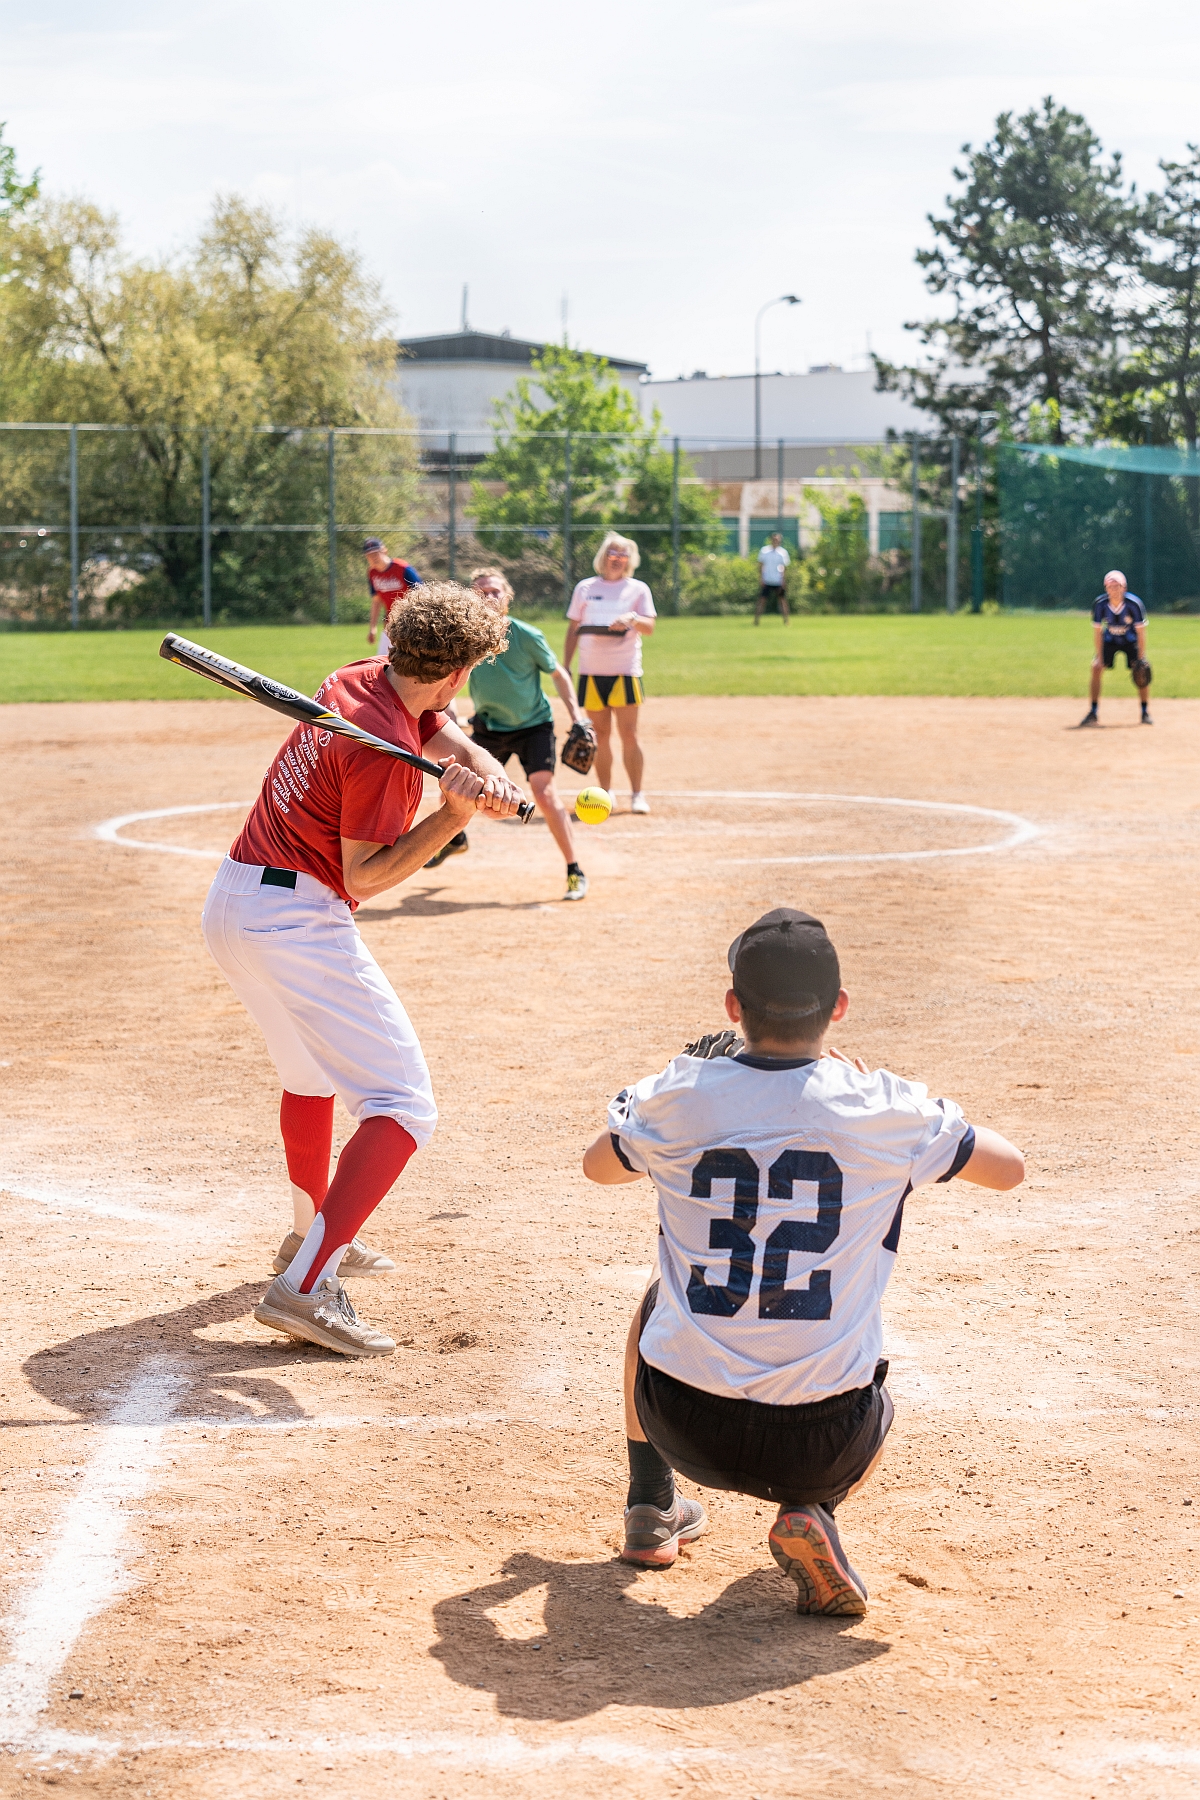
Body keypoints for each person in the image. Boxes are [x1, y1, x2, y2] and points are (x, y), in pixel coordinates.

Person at [582, 908, 1024, 1613]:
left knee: (658, 1295)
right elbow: (1009, 1169)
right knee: (868, 1363)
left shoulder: (679, 1094)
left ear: (734, 1007)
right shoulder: (885, 1107)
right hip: (824, 1442)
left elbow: (598, 1167)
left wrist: (684, 1084)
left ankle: (652, 1504)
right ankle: (811, 1509)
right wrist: (892, 1097)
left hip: (682, 1422)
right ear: (838, 1007)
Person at [201, 582, 523, 1357]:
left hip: (236, 902)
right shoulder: (381, 756)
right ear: (455, 672)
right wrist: (450, 817)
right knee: (403, 1106)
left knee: (311, 1077)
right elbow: (367, 875)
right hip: (295, 921)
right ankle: (306, 1286)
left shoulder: (361, 677)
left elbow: (440, 730)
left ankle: (304, 1237)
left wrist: (489, 777)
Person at [466, 566, 592, 900]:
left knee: (543, 793)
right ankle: (454, 840)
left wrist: (577, 717)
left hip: (533, 725)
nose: (488, 597)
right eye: (480, 592)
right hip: (488, 726)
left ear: (507, 597)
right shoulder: (465, 637)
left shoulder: (526, 635)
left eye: (495, 591)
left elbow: (558, 674)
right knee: (458, 785)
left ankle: (574, 870)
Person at [563, 532, 656, 815]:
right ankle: (606, 792)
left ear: (630, 560)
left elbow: (650, 627)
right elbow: (573, 628)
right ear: (603, 557)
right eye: (612, 554)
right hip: (592, 672)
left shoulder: (637, 589)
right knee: (600, 735)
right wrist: (566, 664)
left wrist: (632, 618)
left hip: (624, 672)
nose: (617, 559)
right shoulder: (585, 587)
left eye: (623, 555)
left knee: (629, 733)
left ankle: (637, 794)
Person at [1081, 569, 1151, 726]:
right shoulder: (1100, 604)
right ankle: (1093, 712)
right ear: (1106, 588)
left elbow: (1141, 632)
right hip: (1110, 640)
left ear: (1124, 587)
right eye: (1110, 586)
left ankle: (1145, 712)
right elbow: (1098, 632)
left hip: (1130, 641)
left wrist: (1141, 657)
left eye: (1117, 586)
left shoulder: (1134, 604)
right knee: (1096, 668)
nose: (1114, 590)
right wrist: (1099, 657)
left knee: (1141, 671)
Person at [363, 538, 421, 647]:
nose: (373, 557)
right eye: (369, 555)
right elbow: (376, 601)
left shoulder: (403, 568)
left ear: (384, 551)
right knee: (385, 656)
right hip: (390, 623)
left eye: (376, 553)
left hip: (410, 622)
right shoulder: (372, 573)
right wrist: (372, 627)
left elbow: (421, 594)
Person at [755, 531, 791, 625]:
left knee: (782, 600)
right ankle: (756, 620)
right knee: (762, 600)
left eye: (778, 539)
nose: (776, 541)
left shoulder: (783, 552)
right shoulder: (764, 551)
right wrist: (761, 578)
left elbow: (784, 568)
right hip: (767, 580)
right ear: (771, 540)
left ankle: (786, 621)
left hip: (778, 580)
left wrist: (783, 580)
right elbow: (761, 565)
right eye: (774, 539)